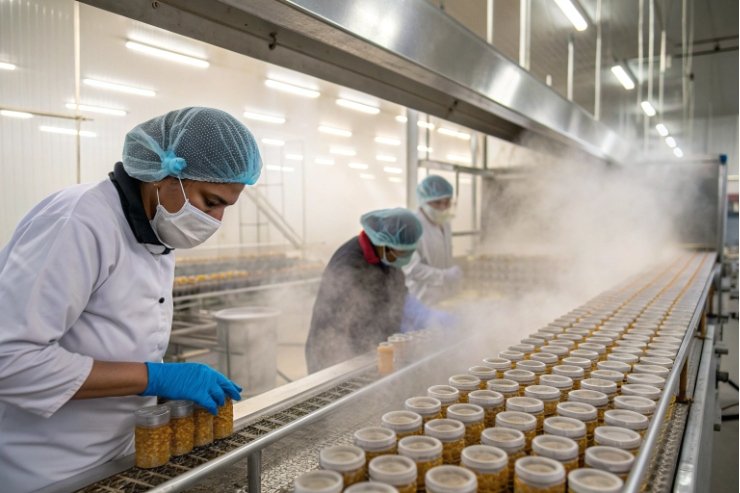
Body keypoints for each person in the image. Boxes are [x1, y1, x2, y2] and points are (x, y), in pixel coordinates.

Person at [0, 107, 262, 492]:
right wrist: (153, 377)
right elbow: (10, 360)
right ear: (165, 175)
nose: (215, 220)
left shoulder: (157, 228)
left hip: (120, 456)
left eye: (225, 206)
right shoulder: (79, 223)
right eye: (210, 201)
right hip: (48, 468)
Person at [305, 208, 424, 373]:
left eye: (409, 251)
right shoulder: (349, 264)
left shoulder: (387, 258)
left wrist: (414, 311)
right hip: (337, 356)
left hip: (371, 351)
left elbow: (397, 292)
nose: (405, 257)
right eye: (402, 251)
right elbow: (347, 322)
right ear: (384, 244)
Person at [403, 175, 462, 305]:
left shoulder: (444, 223)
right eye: (437, 202)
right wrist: (444, 276)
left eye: (447, 202)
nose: (443, 207)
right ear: (423, 201)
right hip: (421, 300)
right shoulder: (410, 227)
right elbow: (411, 269)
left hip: (444, 298)